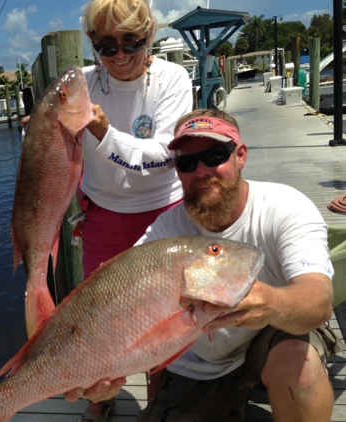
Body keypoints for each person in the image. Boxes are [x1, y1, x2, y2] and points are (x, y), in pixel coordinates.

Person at [65, 108, 344, 421]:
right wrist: (104, 372)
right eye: (186, 163)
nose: (201, 171)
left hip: (276, 332)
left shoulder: (286, 207)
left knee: (298, 367)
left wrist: (273, 303)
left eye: (215, 156)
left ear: (240, 155)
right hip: (202, 361)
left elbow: (318, 300)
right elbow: (121, 313)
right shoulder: (164, 233)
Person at [73, 1, 192, 420]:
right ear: (92, 43)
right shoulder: (79, 84)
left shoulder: (173, 78)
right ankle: (99, 397)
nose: (120, 55)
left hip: (163, 212)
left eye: (132, 42)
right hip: (101, 215)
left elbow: (166, 153)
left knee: (164, 318)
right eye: (107, 45)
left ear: (150, 36)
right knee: (97, 317)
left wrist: (105, 133)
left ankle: (157, 400)